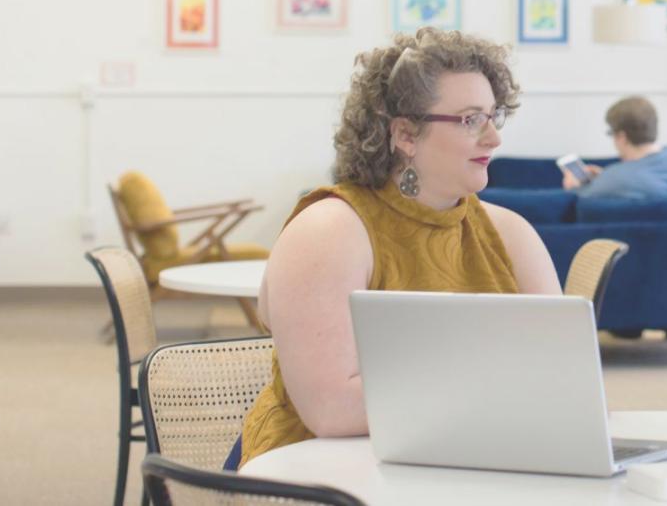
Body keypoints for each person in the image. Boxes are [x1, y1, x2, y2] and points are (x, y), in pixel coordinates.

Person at [235, 28, 561, 466]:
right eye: (470, 119)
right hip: (320, 471)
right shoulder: (329, 230)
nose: (493, 139)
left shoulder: (512, 234)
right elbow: (330, 410)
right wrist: (501, 392)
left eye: (493, 116)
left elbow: (562, 381)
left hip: (467, 460)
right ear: (406, 134)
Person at [561, 96, 667, 200]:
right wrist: (604, 176)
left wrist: (572, 188)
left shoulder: (615, 179)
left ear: (622, 137)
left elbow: (581, 199)